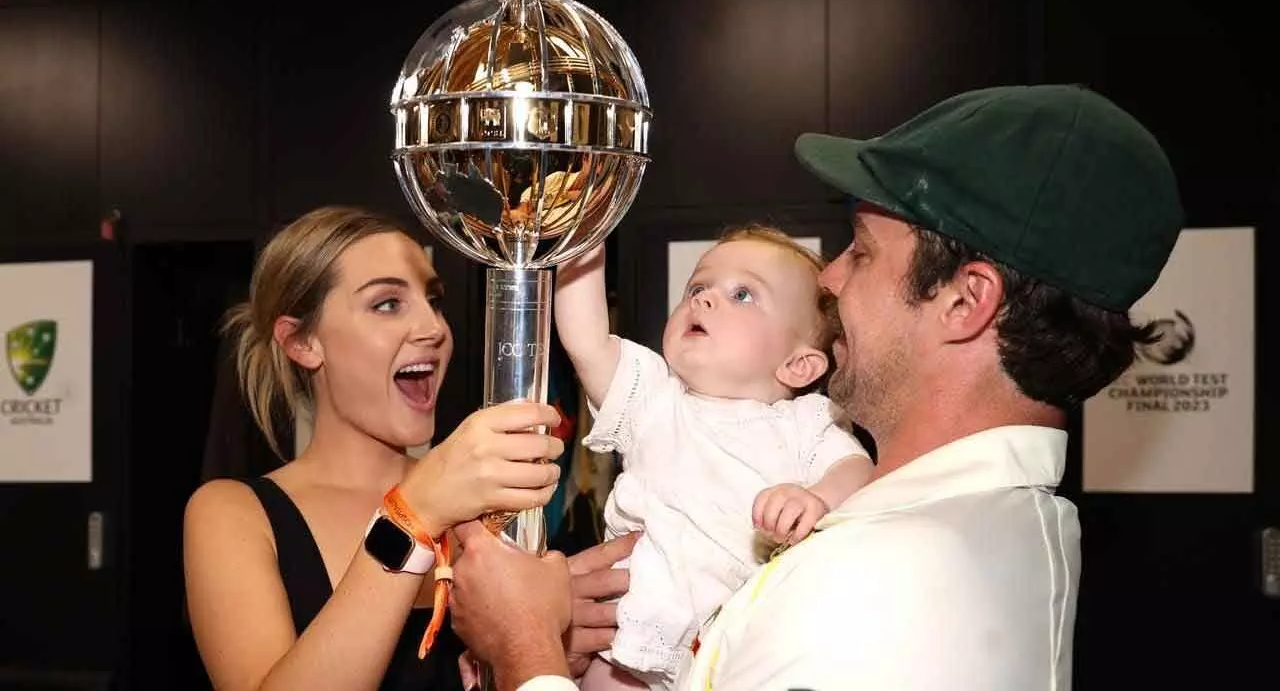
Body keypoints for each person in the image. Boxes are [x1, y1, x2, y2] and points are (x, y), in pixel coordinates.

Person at [446, 83, 1186, 690]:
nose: (830, 278)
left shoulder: (884, 591)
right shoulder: (973, 531)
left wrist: (523, 649)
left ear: (967, 301)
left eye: (861, 254)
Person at [182, 205, 571, 690]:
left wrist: (558, 644)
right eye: (387, 304)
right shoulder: (233, 513)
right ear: (303, 342)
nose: (435, 328)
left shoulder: (477, 503)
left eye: (435, 300)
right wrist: (412, 516)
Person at [553, 225, 874, 689]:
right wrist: (583, 241)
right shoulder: (656, 400)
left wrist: (818, 497)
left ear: (799, 365)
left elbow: (858, 470)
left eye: (743, 294)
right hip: (629, 646)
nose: (702, 300)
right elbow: (587, 342)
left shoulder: (807, 422)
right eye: (697, 287)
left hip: (740, 656)